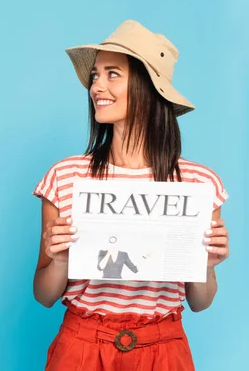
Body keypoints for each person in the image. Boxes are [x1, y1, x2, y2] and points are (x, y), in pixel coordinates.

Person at [32, 20, 230, 370]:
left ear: (148, 87)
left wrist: (207, 266)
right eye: (95, 75)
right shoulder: (65, 176)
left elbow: (200, 302)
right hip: (81, 347)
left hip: (163, 349)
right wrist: (59, 259)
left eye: (112, 74)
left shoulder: (199, 184)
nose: (96, 87)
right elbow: (44, 295)